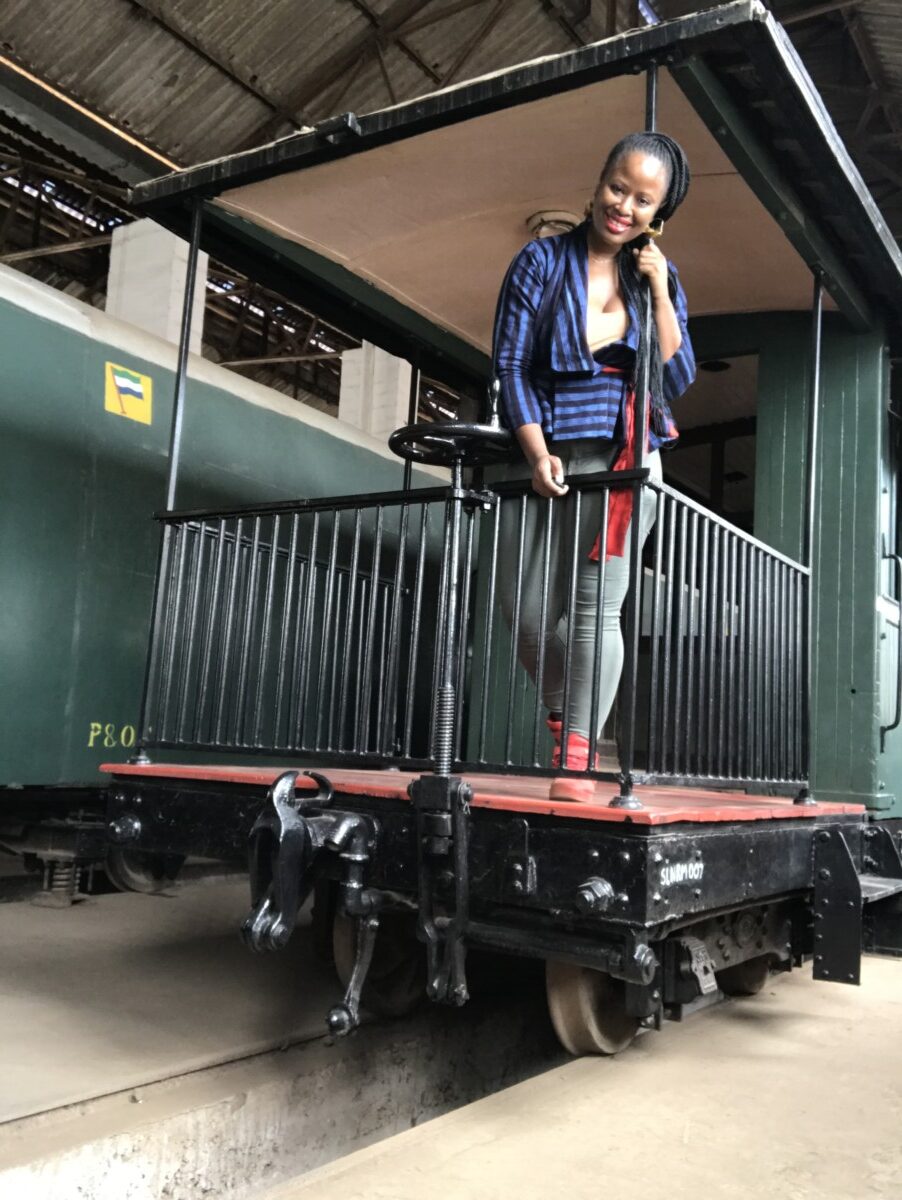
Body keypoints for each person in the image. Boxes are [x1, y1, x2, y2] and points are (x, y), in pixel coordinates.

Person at [492, 131, 695, 802]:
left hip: (629, 457)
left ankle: (575, 756)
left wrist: (659, 290)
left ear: (658, 213)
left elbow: (677, 375)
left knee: (595, 609)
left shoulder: (656, 277)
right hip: (550, 452)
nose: (624, 206)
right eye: (617, 187)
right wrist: (535, 451)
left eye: (643, 199)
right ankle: (567, 711)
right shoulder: (542, 261)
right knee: (525, 616)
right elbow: (512, 365)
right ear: (599, 181)